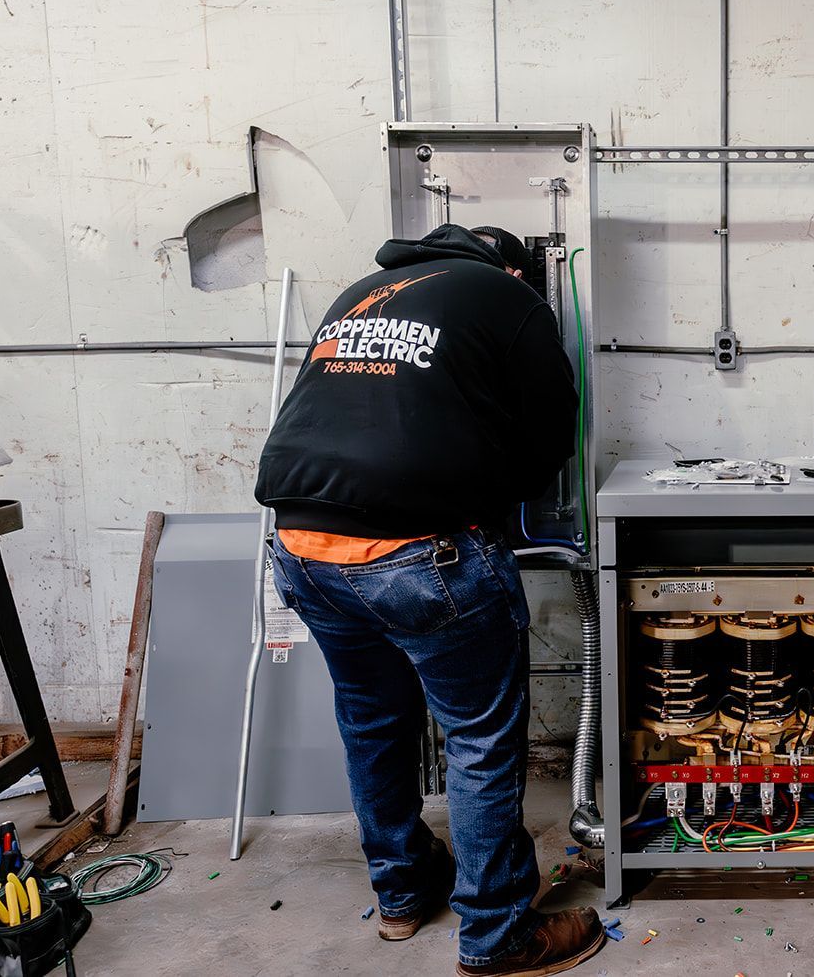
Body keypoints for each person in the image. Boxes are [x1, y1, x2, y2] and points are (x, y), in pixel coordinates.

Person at [254, 224, 601, 977]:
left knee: (373, 721)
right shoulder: (508, 295)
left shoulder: (361, 294)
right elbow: (550, 437)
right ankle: (497, 935)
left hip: (303, 547)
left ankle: (403, 894)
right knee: (478, 736)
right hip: (419, 555)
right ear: (514, 267)